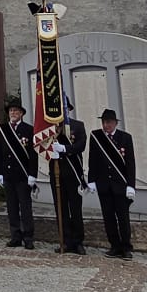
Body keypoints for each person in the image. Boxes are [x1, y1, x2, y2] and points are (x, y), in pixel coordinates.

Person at [88, 108, 137, 258]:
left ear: (115, 123)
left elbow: (130, 163)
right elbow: (92, 160)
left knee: (123, 217)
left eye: (108, 122)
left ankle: (126, 247)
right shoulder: (96, 136)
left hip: (120, 185)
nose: (106, 125)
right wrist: (91, 180)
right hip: (104, 184)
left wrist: (131, 185)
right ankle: (114, 246)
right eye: (104, 122)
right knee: (108, 217)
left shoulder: (125, 138)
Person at [0, 98, 38, 251]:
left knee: (25, 208)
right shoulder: (2, 129)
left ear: (21, 114)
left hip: (23, 176)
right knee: (12, 208)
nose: (13, 113)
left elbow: (33, 154)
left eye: (16, 111)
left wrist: (33, 174)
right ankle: (15, 237)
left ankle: (28, 238)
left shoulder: (29, 129)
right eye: (11, 111)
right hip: (8, 175)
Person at [51, 103, 87, 255]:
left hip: (73, 173)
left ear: (69, 110)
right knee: (61, 209)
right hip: (57, 173)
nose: (63, 111)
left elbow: (81, 145)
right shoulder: (51, 127)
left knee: (75, 209)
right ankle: (65, 241)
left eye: (65, 108)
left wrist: (64, 149)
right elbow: (41, 145)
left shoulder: (77, 125)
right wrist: (51, 150)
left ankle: (78, 242)